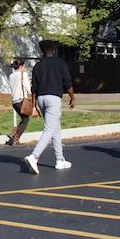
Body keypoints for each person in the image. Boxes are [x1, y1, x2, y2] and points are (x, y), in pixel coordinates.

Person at [23, 40, 74, 175]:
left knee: (55, 128)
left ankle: (60, 159)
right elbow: (67, 82)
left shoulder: (37, 66)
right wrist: (72, 97)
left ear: (42, 52)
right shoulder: (60, 63)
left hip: (41, 99)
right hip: (53, 99)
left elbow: (34, 88)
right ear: (54, 50)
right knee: (49, 129)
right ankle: (34, 157)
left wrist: (34, 106)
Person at [6, 58, 32, 146]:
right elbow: (28, 88)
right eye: (24, 66)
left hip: (14, 101)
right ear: (21, 66)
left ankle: (13, 134)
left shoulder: (11, 76)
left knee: (23, 119)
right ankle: (15, 138)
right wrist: (31, 94)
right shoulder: (23, 74)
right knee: (26, 120)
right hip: (22, 100)